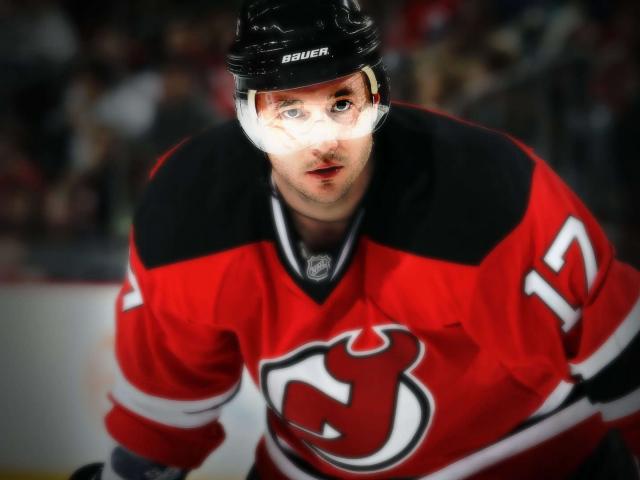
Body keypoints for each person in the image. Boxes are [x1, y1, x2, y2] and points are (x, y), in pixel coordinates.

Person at [70, 0, 640, 479]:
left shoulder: (488, 196)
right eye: (289, 110)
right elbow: (161, 426)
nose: (321, 140)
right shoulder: (187, 214)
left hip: (533, 459)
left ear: (378, 99)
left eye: (340, 103)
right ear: (248, 118)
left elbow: (626, 364)